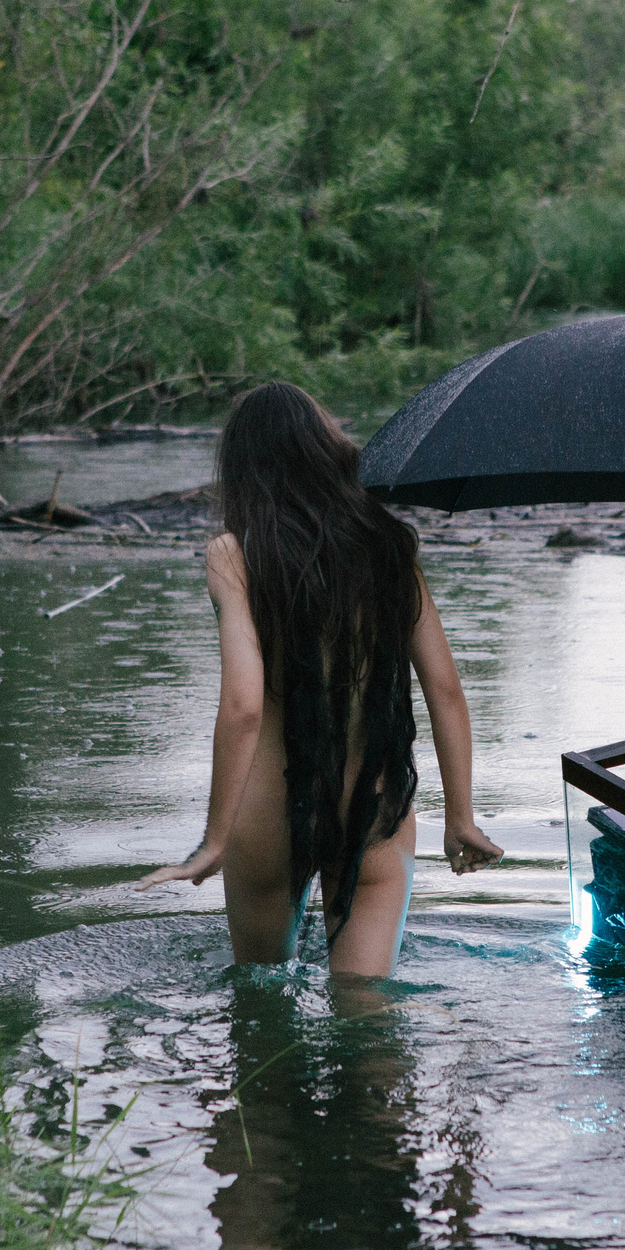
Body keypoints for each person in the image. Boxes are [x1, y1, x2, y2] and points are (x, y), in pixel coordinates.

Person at [136, 382, 504, 977]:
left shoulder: (235, 555)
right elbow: (446, 689)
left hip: (270, 813)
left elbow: (243, 706)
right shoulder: (389, 547)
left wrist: (213, 839)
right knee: (365, 1013)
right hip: (375, 807)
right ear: (325, 450)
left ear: (243, 470)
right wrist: (460, 818)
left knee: (260, 1002)